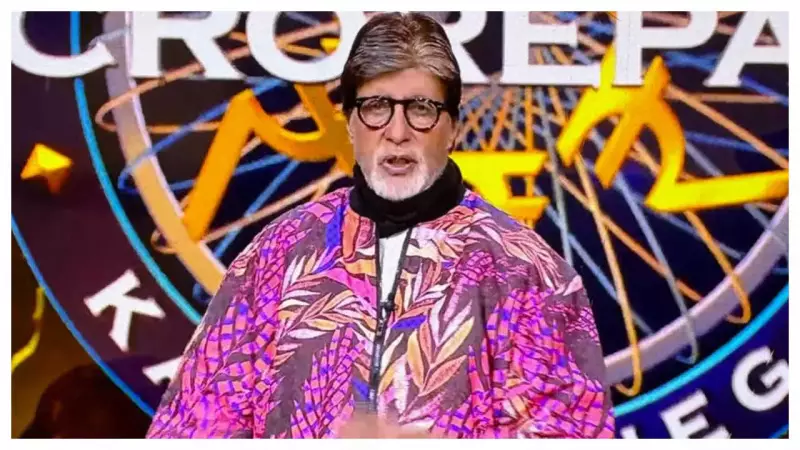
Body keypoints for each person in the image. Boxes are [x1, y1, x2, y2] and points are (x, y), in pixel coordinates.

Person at [147, 12, 615, 439]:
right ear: (350, 123)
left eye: (421, 109)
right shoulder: (279, 254)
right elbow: (193, 427)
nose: (397, 131)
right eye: (375, 107)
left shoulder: (526, 271)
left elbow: (572, 432)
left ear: (453, 128)